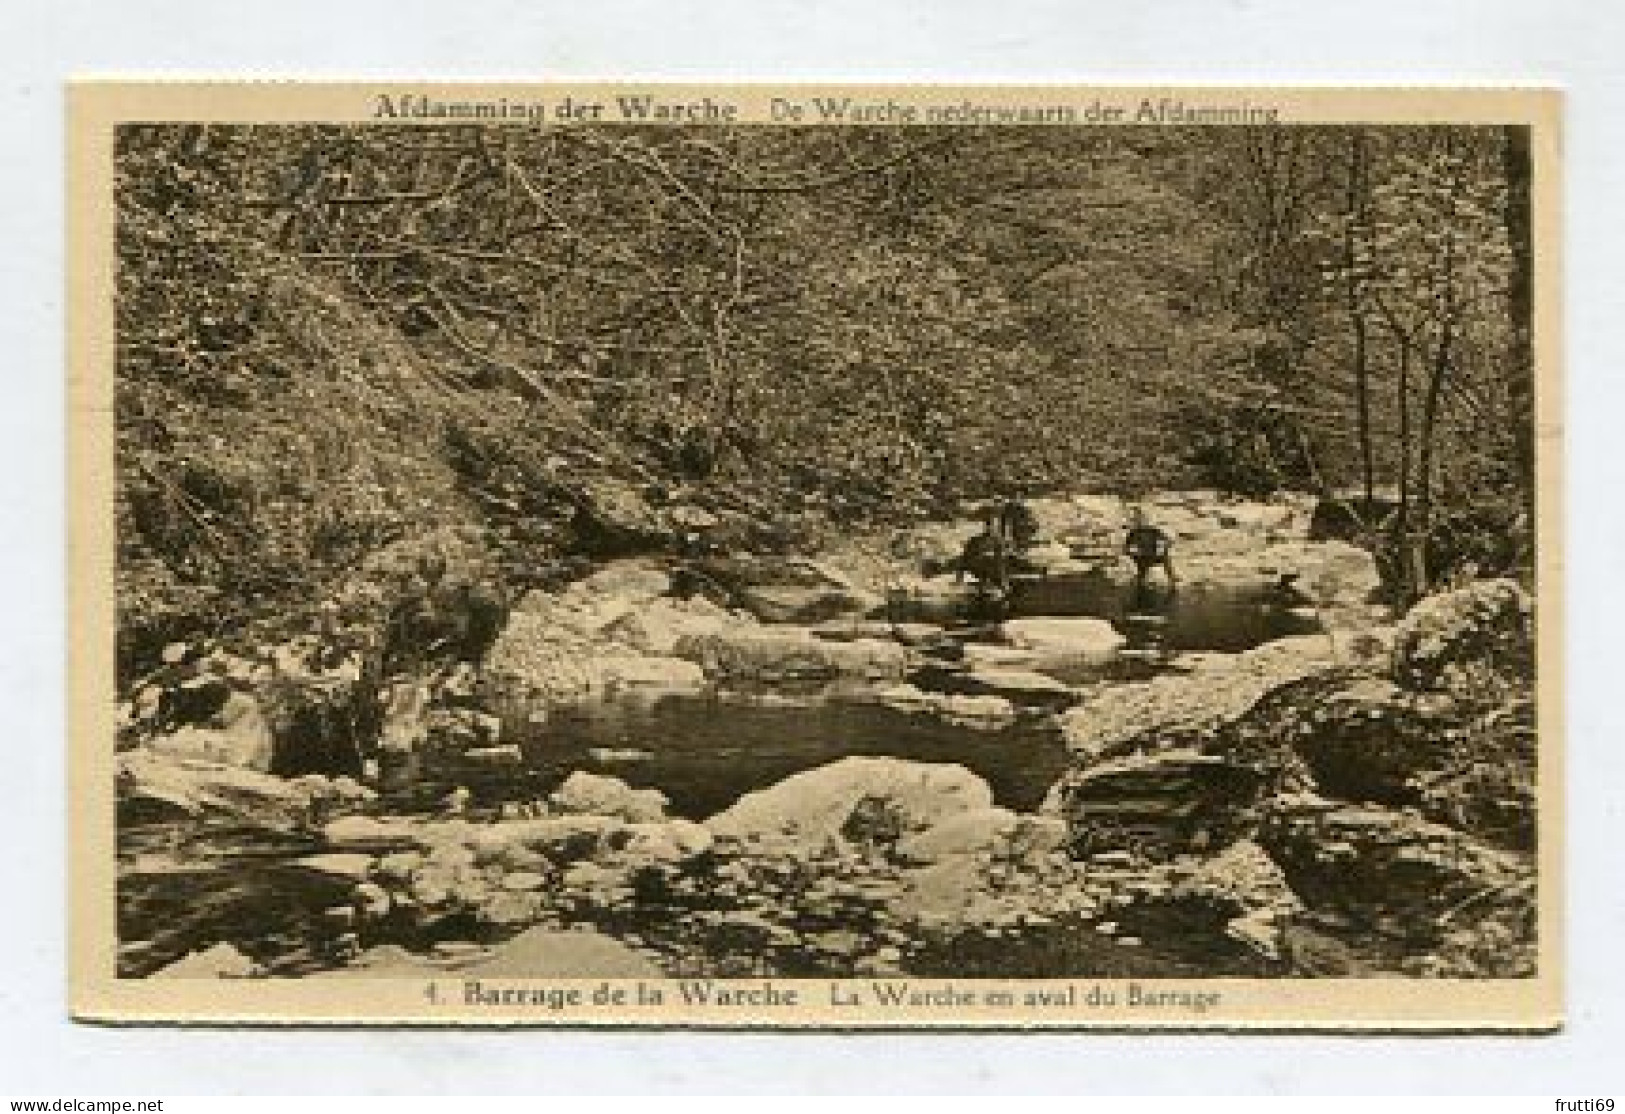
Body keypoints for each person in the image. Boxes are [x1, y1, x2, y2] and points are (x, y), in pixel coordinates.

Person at [1123, 506, 1177, 590]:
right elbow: (1126, 547)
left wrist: (1164, 548)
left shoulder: (1151, 530)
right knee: (1142, 572)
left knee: (1166, 560)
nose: (1139, 522)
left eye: (1140, 520)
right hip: (1142, 557)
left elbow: (1166, 540)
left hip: (1151, 555)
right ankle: (1141, 585)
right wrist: (1132, 554)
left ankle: (1172, 582)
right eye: (1136, 520)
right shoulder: (1133, 533)